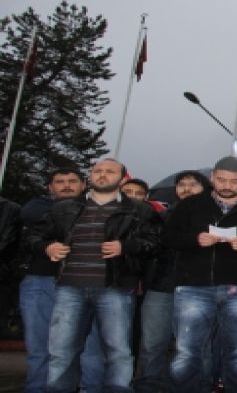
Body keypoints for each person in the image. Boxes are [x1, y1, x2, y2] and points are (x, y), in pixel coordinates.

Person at [27, 158, 162, 392]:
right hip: (70, 288)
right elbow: (34, 236)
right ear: (90, 177)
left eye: (109, 171)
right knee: (61, 351)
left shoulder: (139, 210)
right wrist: (47, 247)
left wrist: (126, 247)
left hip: (115, 289)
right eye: (97, 170)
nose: (102, 175)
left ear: (122, 178)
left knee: (118, 352)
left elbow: (155, 242)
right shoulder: (64, 208)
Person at [163, 156, 237, 392]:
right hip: (194, 286)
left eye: (234, 181)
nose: (227, 185)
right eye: (221, 180)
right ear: (212, 178)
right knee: (188, 350)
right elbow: (167, 237)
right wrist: (195, 239)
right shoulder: (191, 204)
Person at [18, 168, 106, 392]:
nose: (66, 185)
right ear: (50, 187)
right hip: (41, 282)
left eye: (72, 181)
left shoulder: (100, 208)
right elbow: (29, 221)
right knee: (40, 346)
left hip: (85, 284)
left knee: (90, 346)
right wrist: (48, 245)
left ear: (83, 185)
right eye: (60, 182)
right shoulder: (38, 207)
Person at [134, 170, 211, 393]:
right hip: (161, 287)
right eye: (182, 184)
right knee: (152, 345)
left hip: (199, 289)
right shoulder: (161, 216)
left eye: (193, 184)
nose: (186, 188)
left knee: (196, 347)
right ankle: (149, 387)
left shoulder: (216, 218)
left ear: (205, 189)